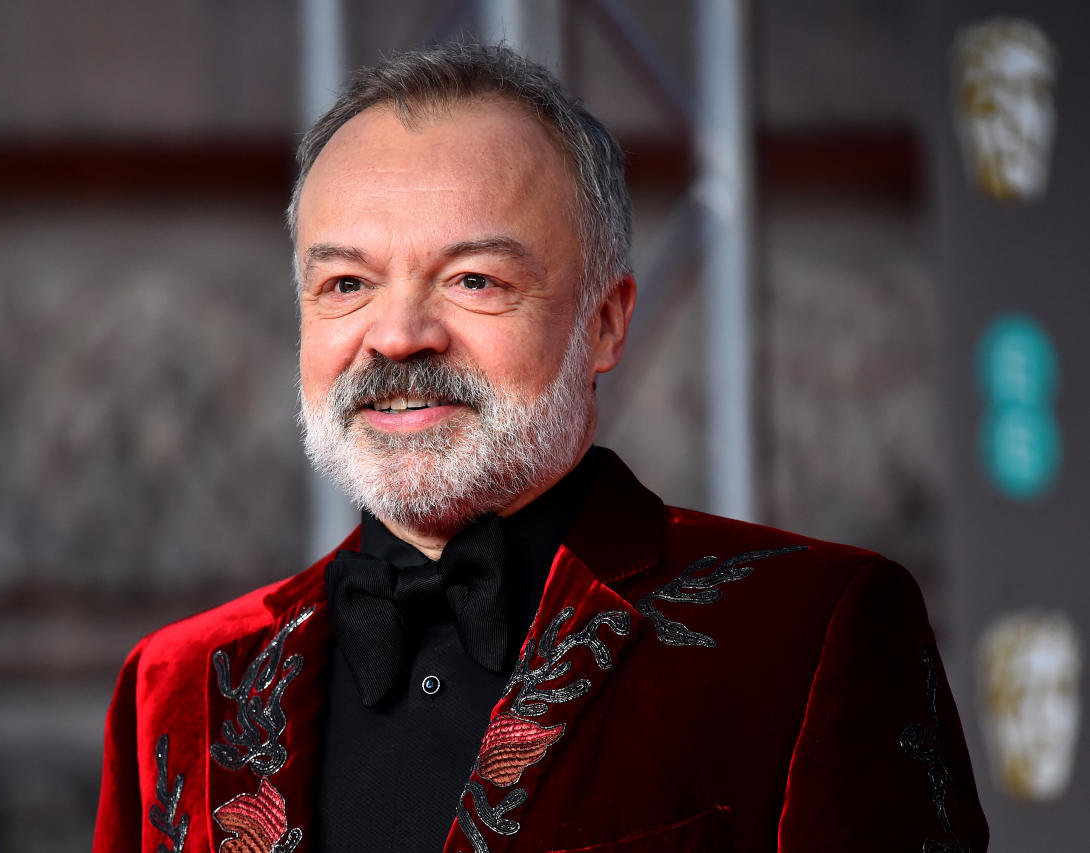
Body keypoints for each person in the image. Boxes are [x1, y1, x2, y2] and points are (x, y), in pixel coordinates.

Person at [93, 43, 988, 853]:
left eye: (474, 278)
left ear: (604, 323)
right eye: (347, 283)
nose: (398, 334)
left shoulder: (809, 631)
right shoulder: (176, 687)